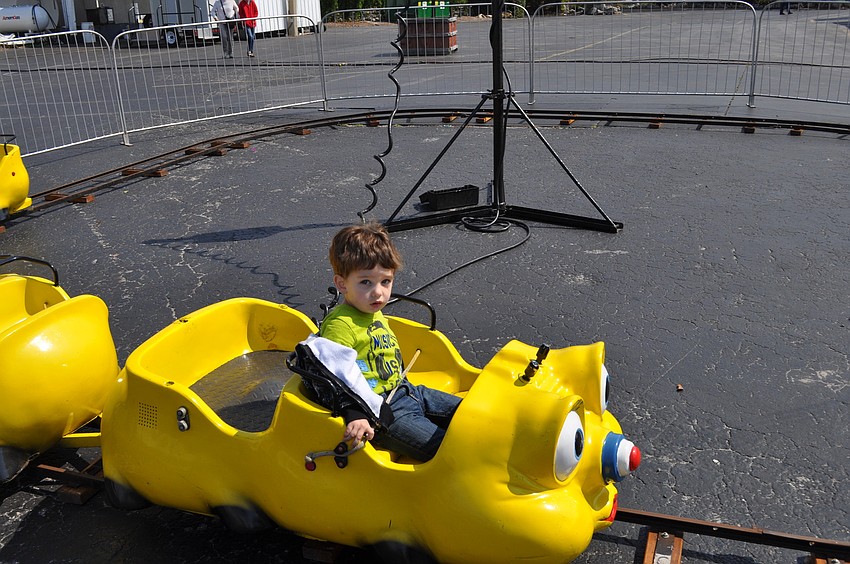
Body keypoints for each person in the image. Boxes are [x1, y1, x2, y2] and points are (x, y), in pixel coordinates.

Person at [318, 222, 462, 462]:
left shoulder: (371, 309)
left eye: (385, 281)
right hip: (383, 413)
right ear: (342, 284)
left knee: (474, 416)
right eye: (366, 282)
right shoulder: (339, 326)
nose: (378, 293)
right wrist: (355, 414)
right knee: (446, 448)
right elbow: (332, 376)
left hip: (409, 391)